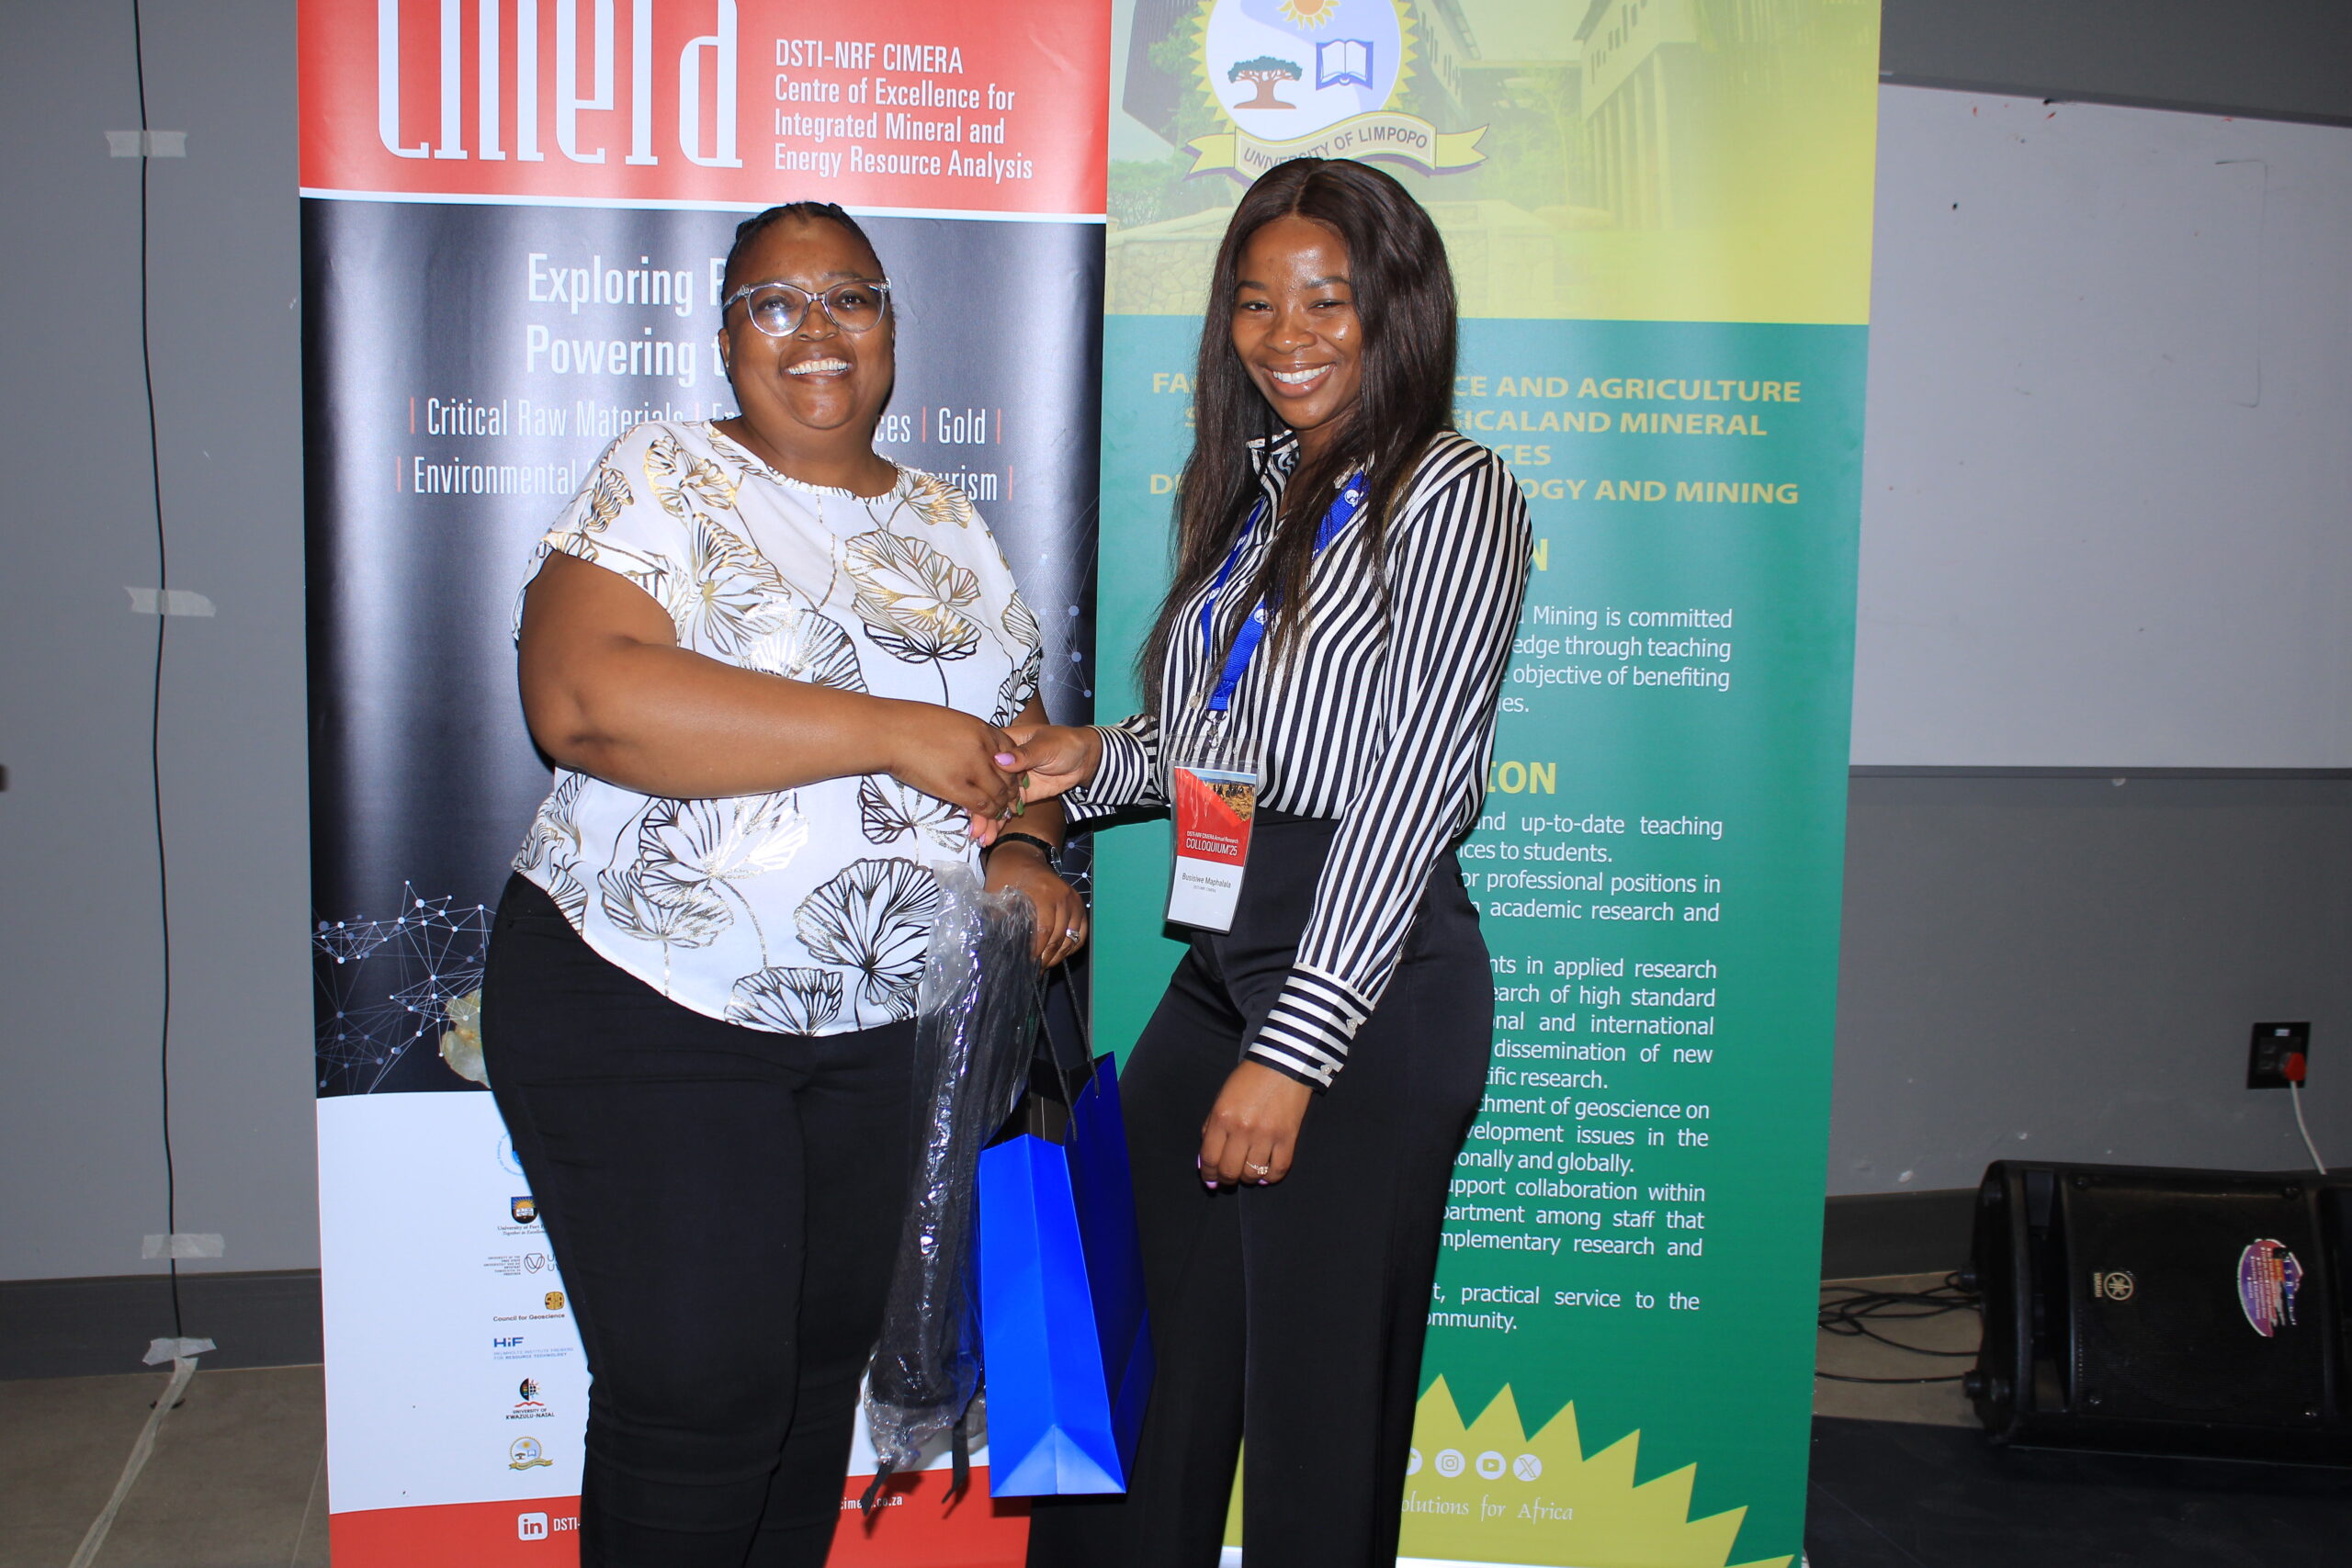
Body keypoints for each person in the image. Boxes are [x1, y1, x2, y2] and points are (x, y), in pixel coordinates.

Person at [481, 200, 1085, 1568]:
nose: (816, 328)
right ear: (725, 338)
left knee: (814, 1385)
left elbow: (1021, 745)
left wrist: (1022, 846)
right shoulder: (663, 472)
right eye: (774, 301)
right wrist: (888, 729)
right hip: (647, 996)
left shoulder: (950, 522)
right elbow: (580, 699)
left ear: (890, 327)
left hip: (885, 1033)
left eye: (849, 297)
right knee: (700, 1397)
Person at [1013, 160, 1533, 1567]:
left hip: (1364, 976)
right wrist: (1088, 761)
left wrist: (1295, 1052)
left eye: (1325, 300)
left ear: (1395, 309)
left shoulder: (1450, 490)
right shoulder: (1257, 489)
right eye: (1255, 302)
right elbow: (1231, 753)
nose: (1284, 334)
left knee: (1317, 1425)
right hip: (1226, 951)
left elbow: (1415, 783)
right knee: (1140, 1373)